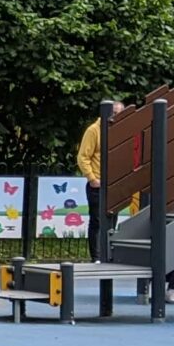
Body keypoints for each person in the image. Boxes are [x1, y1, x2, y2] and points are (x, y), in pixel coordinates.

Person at [76, 102, 122, 259]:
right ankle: (96, 256)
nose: (116, 116)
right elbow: (83, 156)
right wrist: (92, 178)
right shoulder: (94, 130)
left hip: (114, 184)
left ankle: (107, 254)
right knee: (97, 220)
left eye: (119, 113)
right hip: (98, 182)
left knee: (112, 220)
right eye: (114, 112)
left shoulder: (120, 131)